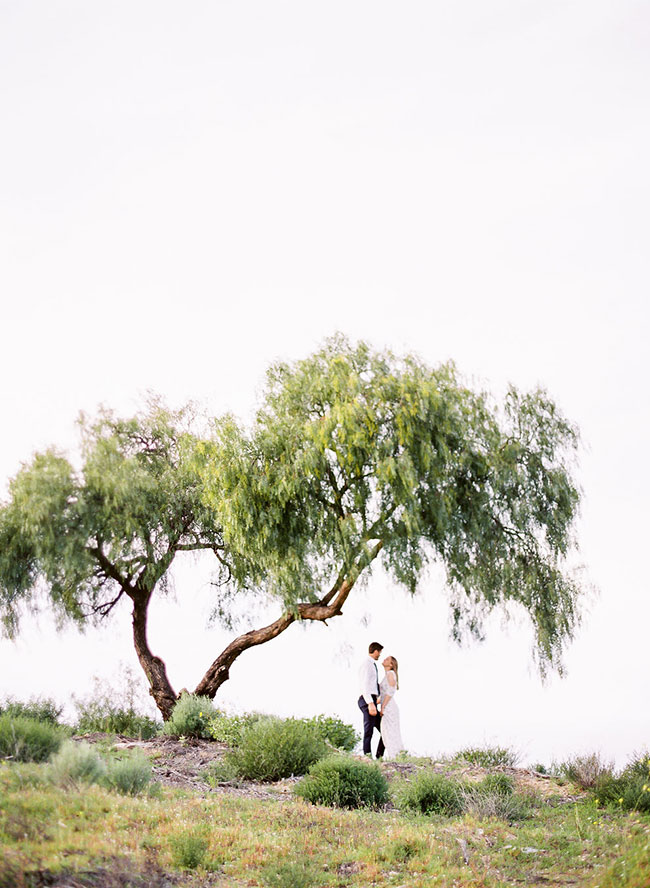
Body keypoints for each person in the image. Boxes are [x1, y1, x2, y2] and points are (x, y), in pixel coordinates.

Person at [358, 641, 385, 758]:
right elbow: (365, 686)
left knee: (385, 730)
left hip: (372, 699)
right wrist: (370, 703)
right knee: (369, 730)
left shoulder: (371, 664)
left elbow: (372, 684)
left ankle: (379, 757)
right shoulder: (367, 664)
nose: (380, 655)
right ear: (375, 651)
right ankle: (367, 757)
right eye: (379, 652)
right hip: (367, 700)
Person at [378, 655, 404, 759]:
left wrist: (383, 706)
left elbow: (391, 691)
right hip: (387, 706)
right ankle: (395, 755)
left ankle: (395, 755)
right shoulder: (387, 675)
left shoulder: (390, 673)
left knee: (390, 732)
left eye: (387, 659)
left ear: (391, 664)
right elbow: (383, 695)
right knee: (386, 732)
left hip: (389, 707)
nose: (384, 659)